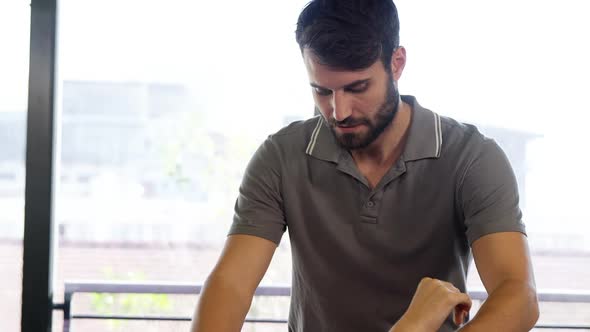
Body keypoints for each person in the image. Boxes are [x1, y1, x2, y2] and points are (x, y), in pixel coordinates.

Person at [191, 0, 539, 331]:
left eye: (357, 88)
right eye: (322, 91)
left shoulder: (471, 157)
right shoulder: (281, 156)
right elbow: (231, 283)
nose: (339, 111)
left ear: (397, 63)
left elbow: (518, 295)